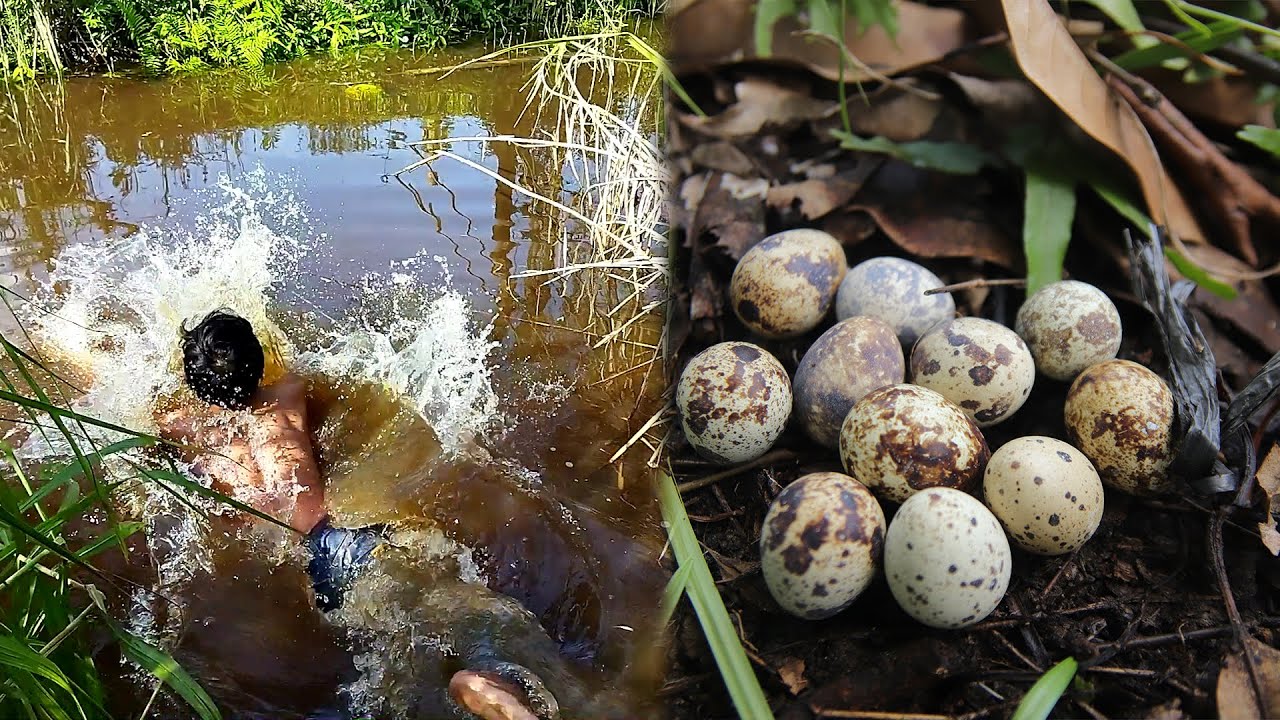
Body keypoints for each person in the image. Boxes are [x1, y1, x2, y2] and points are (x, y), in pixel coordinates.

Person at [156, 309, 559, 720]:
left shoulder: (185, 428)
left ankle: (479, 682)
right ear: (257, 364)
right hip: (350, 533)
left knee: (402, 633)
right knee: (442, 604)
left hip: (314, 563)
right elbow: (327, 382)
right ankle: (489, 677)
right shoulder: (287, 396)